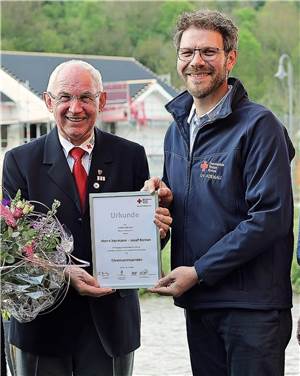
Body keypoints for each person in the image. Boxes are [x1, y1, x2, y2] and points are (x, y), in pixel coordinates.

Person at [143, 10, 295, 376]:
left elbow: (269, 218)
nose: (196, 61)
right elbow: (196, 207)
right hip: (199, 302)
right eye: (187, 52)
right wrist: (162, 210)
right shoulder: (176, 130)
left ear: (230, 58)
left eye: (208, 52)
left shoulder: (260, 127)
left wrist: (199, 271)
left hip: (252, 308)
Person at [2, 60, 172, 376]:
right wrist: (63, 273)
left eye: (85, 98)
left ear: (102, 101)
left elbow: (142, 232)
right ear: (49, 101)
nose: (75, 108)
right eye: (65, 97)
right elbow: (12, 247)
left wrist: (157, 230)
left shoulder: (130, 155)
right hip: (42, 327)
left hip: (110, 324)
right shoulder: (19, 161)